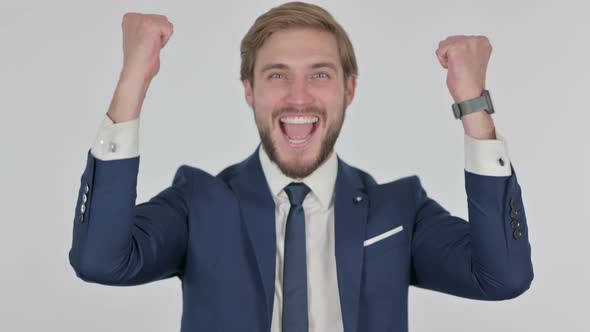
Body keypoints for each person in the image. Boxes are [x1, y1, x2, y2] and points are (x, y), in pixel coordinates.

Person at [68, 2, 533, 331]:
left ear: (349, 89)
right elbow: (101, 260)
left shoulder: (397, 211)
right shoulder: (199, 201)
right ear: (249, 90)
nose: (298, 96)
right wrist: (133, 80)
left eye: (320, 74)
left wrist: (473, 104)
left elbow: (501, 277)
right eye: (277, 75)